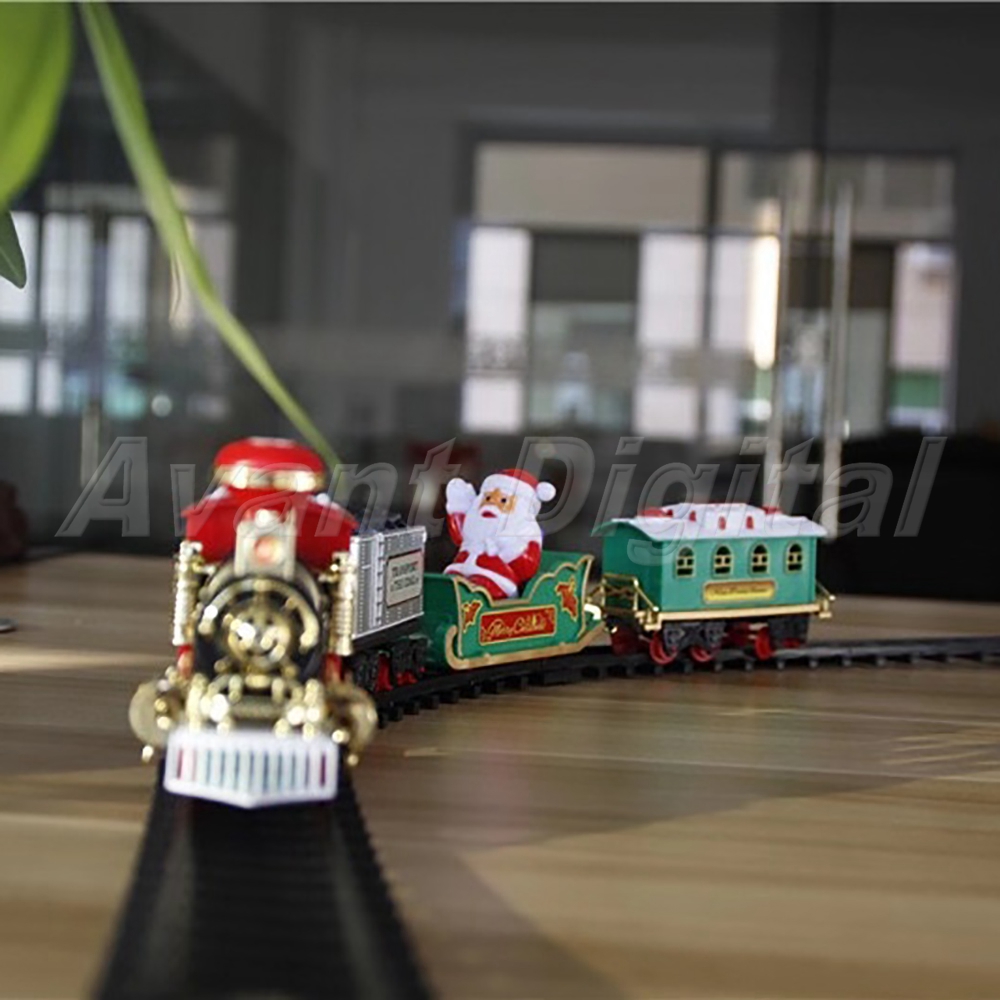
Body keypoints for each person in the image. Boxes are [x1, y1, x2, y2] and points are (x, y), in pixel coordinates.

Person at [444, 469, 556, 600]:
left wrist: (511, 547)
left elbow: (527, 569)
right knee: (446, 587)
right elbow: (460, 536)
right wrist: (458, 506)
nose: (492, 504)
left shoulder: (527, 532)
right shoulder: (473, 523)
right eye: (488, 498)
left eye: (503, 501)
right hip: (459, 568)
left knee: (476, 594)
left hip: (495, 579)